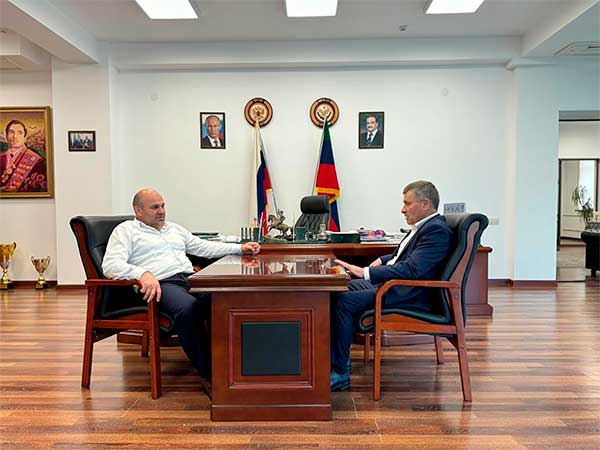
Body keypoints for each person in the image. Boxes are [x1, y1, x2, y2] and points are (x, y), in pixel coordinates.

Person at [102, 188, 260, 382]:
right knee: (188, 308)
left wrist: (240, 248)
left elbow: (204, 247)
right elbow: (110, 265)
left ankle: (237, 364)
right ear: (138, 210)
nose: (161, 211)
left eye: (163, 206)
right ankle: (212, 373)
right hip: (162, 283)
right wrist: (142, 274)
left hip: (189, 278)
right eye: (154, 207)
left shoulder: (173, 229)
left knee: (223, 299)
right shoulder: (126, 231)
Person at [330, 180, 452, 391]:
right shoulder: (424, 226)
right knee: (336, 291)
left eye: (407, 203)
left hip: (409, 294)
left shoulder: (436, 231)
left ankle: (340, 373)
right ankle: (337, 359)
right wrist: (382, 259)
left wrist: (365, 272)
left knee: (343, 302)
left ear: (425, 204)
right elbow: (403, 256)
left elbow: (412, 269)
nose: (403, 209)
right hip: (396, 287)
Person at [0, 120, 47, 192]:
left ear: (25, 138)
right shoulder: (1, 158)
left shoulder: (38, 161)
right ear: (6, 136)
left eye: (20, 133)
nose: (15, 136)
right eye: (11, 132)